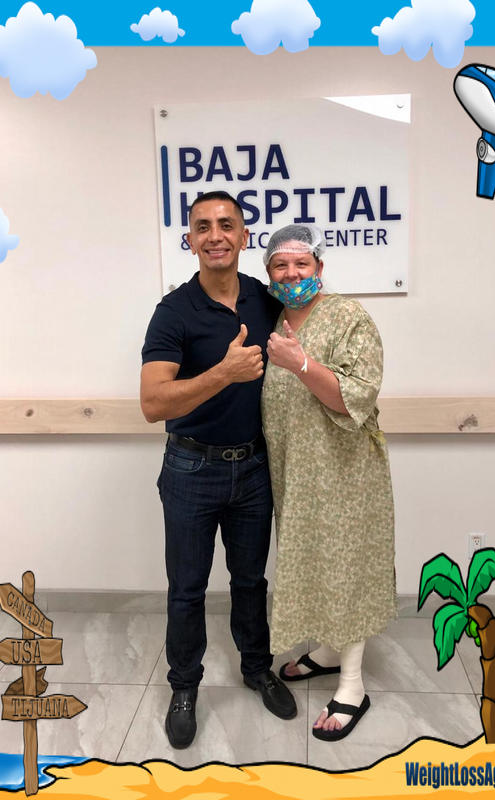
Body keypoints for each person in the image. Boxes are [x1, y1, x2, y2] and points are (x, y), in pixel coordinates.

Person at [140, 191, 296, 750]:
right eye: (202, 226)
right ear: (190, 240)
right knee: (187, 589)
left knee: (251, 582)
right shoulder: (174, 311)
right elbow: (152, 403)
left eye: (226, 224)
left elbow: (311, 330)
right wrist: (223, 373)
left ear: (244, 236)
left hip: (253, 467)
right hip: (190, 468)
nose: (215, 235)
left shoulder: (265, 299)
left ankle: (257, 669)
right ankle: (184, 688)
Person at [261, 223, 396, 741]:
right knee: (314, 560)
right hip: (296, 472)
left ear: (320, 266)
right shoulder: (273, 321)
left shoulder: (349, 317)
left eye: (302, 263)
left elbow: (354, 397)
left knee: (347, 566)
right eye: (280, 265)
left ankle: (353, 685)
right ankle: (328, 651)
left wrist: (301, 363)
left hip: (345, 470)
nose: (291, 273)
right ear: (269, 272)